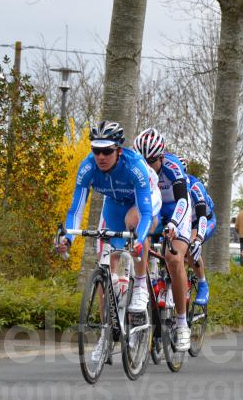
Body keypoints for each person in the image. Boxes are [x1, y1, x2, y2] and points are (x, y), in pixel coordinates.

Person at [58, 120, 162, 357]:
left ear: (118, 150)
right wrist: (68, 239)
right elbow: (76, 210)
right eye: (96, 150)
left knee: (134, 224)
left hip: (142, 202)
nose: (101, 156)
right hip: (113, 206)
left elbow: (146, 214)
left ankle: (141, 286)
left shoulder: (134, 165)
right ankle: (106, 336)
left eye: (107, 151)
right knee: (105, 267)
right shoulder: (88, 168)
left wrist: (138, 240)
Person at [134, 127, 194, 351]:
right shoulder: (136, 167)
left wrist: (175, 224)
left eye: (151, 161)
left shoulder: (172, 167)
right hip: (154, 210)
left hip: (176, 211)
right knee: (138, 242)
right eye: (143, 160)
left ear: (161, 157)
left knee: (174, 258)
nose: (147, 166)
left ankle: (181, 323)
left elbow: (183, 201)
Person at [182, 162, 216, 305]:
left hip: (203, 221)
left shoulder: (195, 186)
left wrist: (198, 239)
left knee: (190, 244)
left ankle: (203, 284)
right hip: (183, 221)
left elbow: (202, 217)